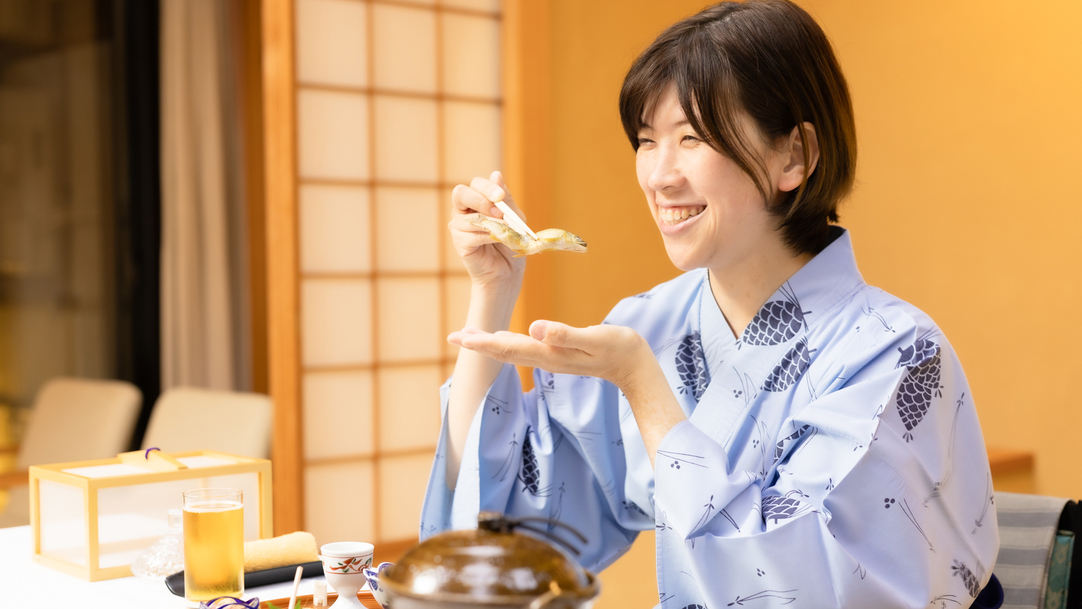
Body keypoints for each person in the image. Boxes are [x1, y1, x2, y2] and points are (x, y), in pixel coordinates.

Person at [420, 1, 1000, 607]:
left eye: (691, 138)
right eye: (647, 141)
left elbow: (802, 589)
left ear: (793, 156)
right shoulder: (647, 326)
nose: (659, 176)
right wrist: (493, 291)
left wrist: (643, 387)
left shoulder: (895, 353)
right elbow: (499, 531)